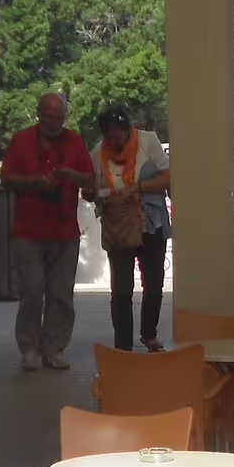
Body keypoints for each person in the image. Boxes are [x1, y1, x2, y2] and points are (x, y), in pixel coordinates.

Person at [0, 92, 95, 371]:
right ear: (39, 113)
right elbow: (6, 178)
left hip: (65, 231)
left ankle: (53, 348)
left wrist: (71, 176)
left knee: (61, 294)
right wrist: (33, 182)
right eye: (47, 116)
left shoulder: (74, 141)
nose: (52, 122)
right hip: (28, 230)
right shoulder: (21, 140)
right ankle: (29, 347)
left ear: (64, 117)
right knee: (32, 290)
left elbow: (89, 178)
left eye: (58, 117)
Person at [91, 105, 171, 352]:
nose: (114, 141)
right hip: (118, 225)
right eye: (110, 137)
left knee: (154, 282)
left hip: (150, 222)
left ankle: (149, 335)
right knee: (122, 289)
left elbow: (168, 177)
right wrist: (98, 194)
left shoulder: (148, 142)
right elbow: (93, 191)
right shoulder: (97, 154)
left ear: (129, 130)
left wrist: (138, 188)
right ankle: (122, 345)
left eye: (119, 135)